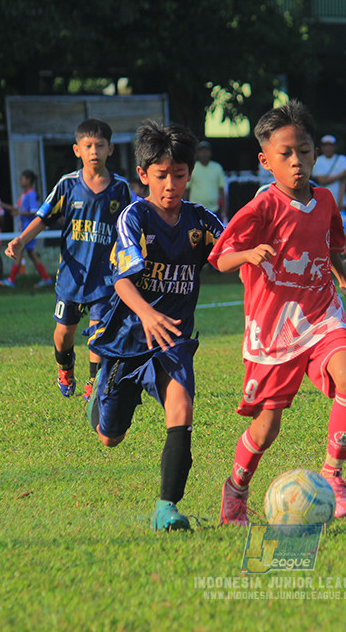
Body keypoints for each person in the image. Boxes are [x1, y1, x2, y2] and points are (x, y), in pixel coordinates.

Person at [209, 100, 346, 526]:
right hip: (274, 328)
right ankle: (236, 490)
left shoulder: (326, 200)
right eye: (286, 154)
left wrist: (345, 284)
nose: (298, 162)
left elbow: (330, 248)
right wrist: (248, 253)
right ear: (266, 161)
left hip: (321, 311)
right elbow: (219, 259)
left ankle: (332, 474)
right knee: (267, 427)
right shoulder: (261, 207)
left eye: (305, 151)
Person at [86, 121, 223, 532]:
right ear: (144, 175)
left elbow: (227, 250)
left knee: (181, 410)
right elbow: (123, 280)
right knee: (111, 437)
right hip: (130, 338)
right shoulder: (135, 217)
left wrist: (253, 254)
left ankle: (167, 507)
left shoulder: (201, 219)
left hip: (174, 339)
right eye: (161, 176)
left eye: (179, 175)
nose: (171, 185)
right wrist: (146, 312)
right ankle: (98, 397)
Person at [6, 118, 132, 400]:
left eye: (100, 145)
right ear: (77, 150)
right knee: (64, 334)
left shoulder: (121, 189)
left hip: (107, 276)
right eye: (88, 146)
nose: (94, 151)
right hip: (72, 277)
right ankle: (65, 368)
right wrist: (21, 240)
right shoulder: (67, 185)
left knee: (99, 334)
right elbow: (43, 217)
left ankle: (94, 382)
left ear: (110, 149)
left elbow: (135, 222)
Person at [0, 170, 52, 288]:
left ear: (28, 180)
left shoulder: (31, 194)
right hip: (24, 229)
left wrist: (19, 213)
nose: (20, 181)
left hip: (29, 230)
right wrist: (0, 204)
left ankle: (11, 279)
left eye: (22, 179)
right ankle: (46, 278)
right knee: (30, 253)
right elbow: (17, 208)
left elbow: (34, 212)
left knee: (19, 252)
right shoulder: (24, 194)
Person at [184, 140, 226, 218]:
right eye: (201, 151)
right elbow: (187, 190)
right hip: (195, 209)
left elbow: (222, 191)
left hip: (214, 210)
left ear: (210, 153)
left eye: (206, 151)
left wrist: (223, 212)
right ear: (197, 153)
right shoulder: (193, 168)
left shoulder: (217, 167)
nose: (204, 153)